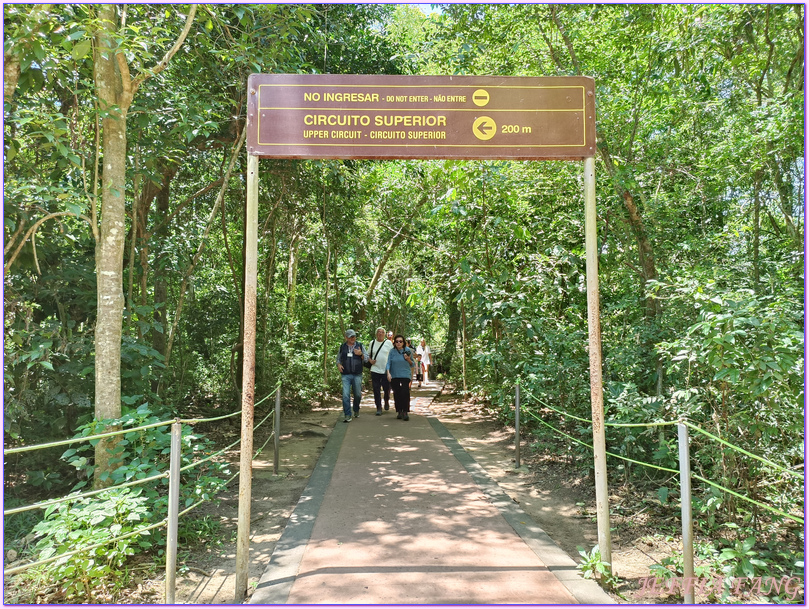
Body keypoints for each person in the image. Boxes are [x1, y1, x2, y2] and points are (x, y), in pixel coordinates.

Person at [336, 329, 367, 422]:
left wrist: (361, 354)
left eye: (354, 336)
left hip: (357, 374)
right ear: (346, 338)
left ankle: (356, 409)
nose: (353, 338)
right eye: (350, 337)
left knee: (357, 394)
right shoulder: (342, 347)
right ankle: (347, 414)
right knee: (345, 395)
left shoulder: (360, 345)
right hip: (345, 375)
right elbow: (338, 359)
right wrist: (338, 365)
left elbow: (366, 358)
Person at [386, 334, 415, 420]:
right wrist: (388, 373)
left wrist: (408, 359)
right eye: (397, 341)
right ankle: (399, 411)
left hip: (405, 374)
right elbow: (388, 363)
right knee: (397, 393)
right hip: (395, 375)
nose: (398, 343)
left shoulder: (408, 350)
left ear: (403, 342)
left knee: (405, 392)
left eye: (400, 341)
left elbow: (412, 364)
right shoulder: (392, 351)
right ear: (394, 343)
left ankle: (405, 411)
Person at [367, 327, 393, 415]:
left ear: (385, 334)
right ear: (376, 334)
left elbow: (392, 355)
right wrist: (370, 361)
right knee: (376, 389)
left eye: (382, 332)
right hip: (375, 370)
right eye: (379, 332)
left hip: (386, 370)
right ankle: (378, 407)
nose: (380, 334)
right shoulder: (372, 343)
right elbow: (368, 355)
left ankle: (386, 400)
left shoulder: (388, 343)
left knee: (387, 388)